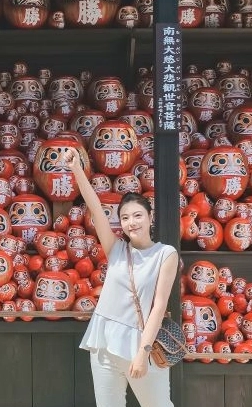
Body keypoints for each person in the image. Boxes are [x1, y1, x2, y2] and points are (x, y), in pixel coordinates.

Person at [63, 148, 179, 407]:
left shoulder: (165, 254)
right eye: (125, 218)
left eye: (138, 215)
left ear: (150, 218)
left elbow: (159, 306)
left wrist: (143, 352)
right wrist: (77, 169)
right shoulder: (116, 249)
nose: (131, 222)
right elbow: (95, 208)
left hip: (141, 344)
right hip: (104, 344)